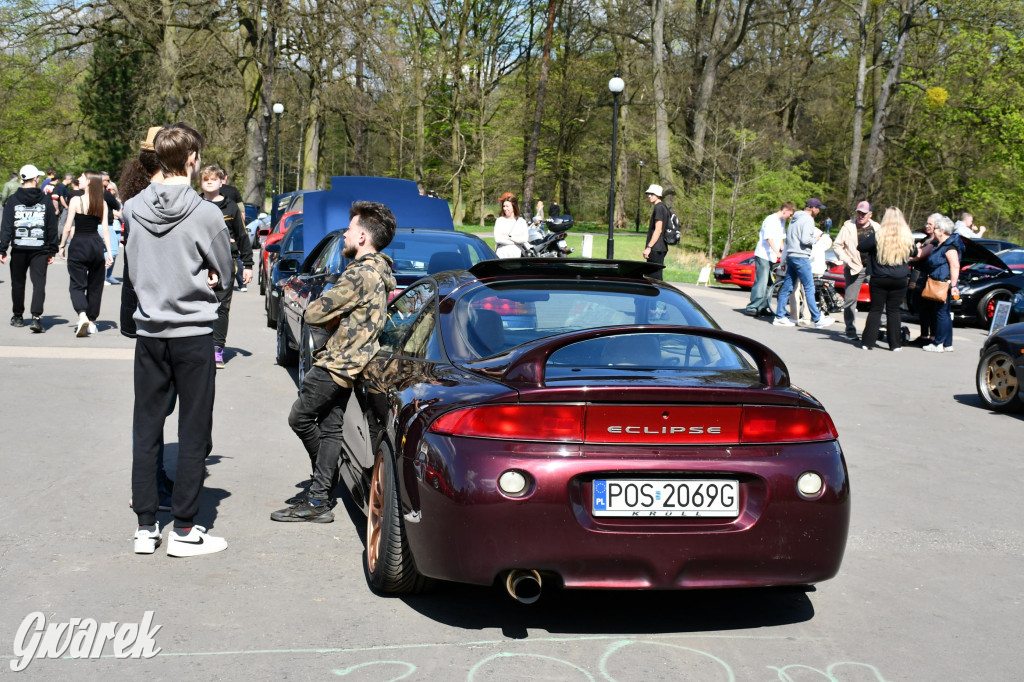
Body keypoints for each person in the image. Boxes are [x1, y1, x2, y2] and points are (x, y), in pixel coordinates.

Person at [124, 122, 233, 556]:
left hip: (150, 332)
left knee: (146, 427)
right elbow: (225, 274)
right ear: (191, 160)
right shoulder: (206, 214)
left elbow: (132, 269)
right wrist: (207, 278)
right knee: (193, 429)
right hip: (192, 332)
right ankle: (185, 530)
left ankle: (145, 526)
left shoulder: (132, 208)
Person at [271, 201, 396, 523]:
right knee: (329, 428)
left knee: (300, 418)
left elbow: (314, 313)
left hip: (338, 362)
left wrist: (331, 313)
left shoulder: (359, 274)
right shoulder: (380, 271)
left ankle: (325, 480)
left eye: (350, 230)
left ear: (363, 237)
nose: (344, 235)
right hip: (354, 361)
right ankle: (319, 499)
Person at [200, 165, 253, 368]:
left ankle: (217, 349)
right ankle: (198, 347)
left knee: (221, 307)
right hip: (198, 262)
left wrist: (248, 264)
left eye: (214, 179)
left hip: (225, 262)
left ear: (221, 181)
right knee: (198, 305)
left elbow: (242, 236)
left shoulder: (230, 207)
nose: (209, 182)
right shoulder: (195, 204)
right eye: (206, 179)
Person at [0, 164, 59, 332]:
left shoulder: (13, 200)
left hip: (19, 247)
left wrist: (3, 248)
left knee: (18, 283)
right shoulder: (45, 199)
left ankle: (18, 316)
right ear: (35, 179)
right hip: (40, 248)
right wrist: (52, 249)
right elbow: (51, 226)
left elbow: (6, 226)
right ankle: (36, 318)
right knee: (39, 283)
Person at [58, 171, 113, 337]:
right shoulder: (102, 202)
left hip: (79, 244)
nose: (79, 179)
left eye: (82, 177)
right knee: (95, 285)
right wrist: (109, 252)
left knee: (76, 284)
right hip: (95, 244)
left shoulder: (76, 200)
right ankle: (92, 322)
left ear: (89, 181)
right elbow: (105, 229)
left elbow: (68, 226)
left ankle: (82, 315)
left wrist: (62, 245)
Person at [858, 207, 915, 351]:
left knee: (876, 309)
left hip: (880, 277)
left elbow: (861, 247)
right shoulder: (906, 236)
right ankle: (895, 344)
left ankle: (868, 342)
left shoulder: (878, 235)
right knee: (893, 311)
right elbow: (914, 252)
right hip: (900, 278)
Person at [773, 198, 835, 329]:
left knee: (788, 287)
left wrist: (784, 259)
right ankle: (817, 319)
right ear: (813, 208)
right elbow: (806, 240)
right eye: (818, 209)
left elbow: (789, 240)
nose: (819, 211)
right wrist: (816, 239)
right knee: (809, 287)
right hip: (801, 257)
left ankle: (779, 316)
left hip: (791, 255)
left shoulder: (794, 219)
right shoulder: (808, 220)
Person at [833, 200, 880, 340]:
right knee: (850, 300)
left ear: (870, 214)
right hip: (854, 267)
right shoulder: (848, 226)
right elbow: (837, 245)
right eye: (859, 213)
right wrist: (846, 260)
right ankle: (850, 330)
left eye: (864, 214)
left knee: (879, 299)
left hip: (873, 268)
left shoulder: (877, 227)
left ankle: (878, 328)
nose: (860, 216)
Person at [922, 215, 964, 353]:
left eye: (936, 228)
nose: (934, 231)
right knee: (944, 313)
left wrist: (954, 286)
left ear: (943, 231)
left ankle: (938, 343)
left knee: (941, 313)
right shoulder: (939, 245)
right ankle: (947, 343)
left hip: (943, 283)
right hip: (938, 282)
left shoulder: (949, 246)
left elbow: (955, 265)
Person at [746, 201, 794, 316]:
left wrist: (784, 252)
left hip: (771, 257)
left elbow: (781, 239)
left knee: (769, 282)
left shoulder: (782, 221)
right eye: (790, 214)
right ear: (785, 210)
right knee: (761, 282)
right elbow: (768, 238)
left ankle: (763, 306)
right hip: (763, 254)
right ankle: (753, 306)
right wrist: (777, 252)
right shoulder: (770, 219)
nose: (790, 217)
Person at [908, 214, 940, 345]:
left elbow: (919, 255)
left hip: (928, 279)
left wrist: (913, 253)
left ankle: (931, 337)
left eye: (930, 224)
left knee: (929, 309)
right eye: (927, 223)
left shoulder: (935, 242)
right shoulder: (926, 239)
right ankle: (924, 335)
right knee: (923, 308)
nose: (927, 226)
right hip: (921, 278)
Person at [643, 184, 670, 281]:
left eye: (652, 194)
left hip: (656, 248)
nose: (649, 196)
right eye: (648, 194)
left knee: (653, 279)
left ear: (658, 195)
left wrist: (649, 247)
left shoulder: (659, 208)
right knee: (655, 278)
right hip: (660, 247)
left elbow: (658, 230)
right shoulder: (664, 207)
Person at [494, 194, 529, 258]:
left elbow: (524, 239)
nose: (505, 208)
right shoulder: (499, 221)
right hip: (501, 255)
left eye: (507, 206)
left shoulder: (521, 222)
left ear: (514, 207)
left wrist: (509, 237)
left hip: (516, 256)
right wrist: (516, 241)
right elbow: (498, 239)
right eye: (504, 206)